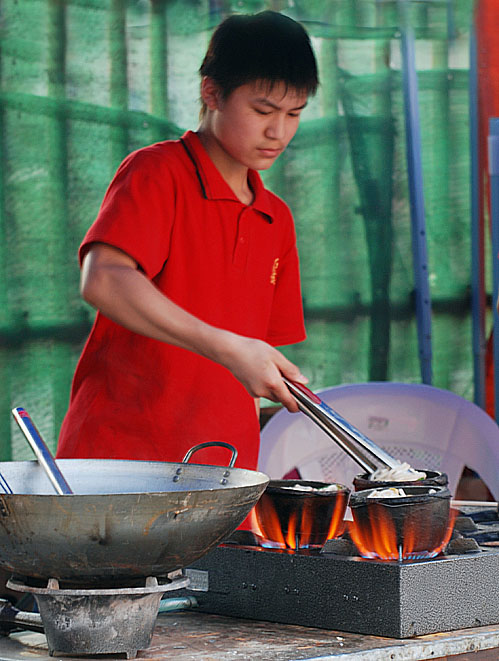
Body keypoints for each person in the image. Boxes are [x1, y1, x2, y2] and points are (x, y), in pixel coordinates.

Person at [56, 10, 319, 469]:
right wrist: (228, 347)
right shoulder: (158, 173)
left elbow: (248, 359)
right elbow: (103, 278)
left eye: (294, 114)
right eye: (262, 111)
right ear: (211, 92)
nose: (279, 132)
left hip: (222, 470)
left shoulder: (275, 218)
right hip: (122, 463)